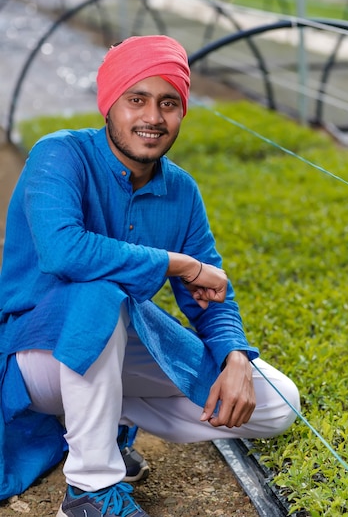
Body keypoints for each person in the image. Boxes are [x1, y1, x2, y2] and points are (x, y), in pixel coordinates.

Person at [0, 35, 300, 517]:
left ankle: (102, 424)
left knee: (278, 403)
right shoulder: (60, 155)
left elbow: (211, 292)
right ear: (109, 105)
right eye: (136, 99)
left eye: (169, 103)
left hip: (110, 352)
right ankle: (90, 492)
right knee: (103, 296)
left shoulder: (181, 190)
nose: (152, 118)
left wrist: (236, 357)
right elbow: (63, 251)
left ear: (183, 111)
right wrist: (175, 263)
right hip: (32, 353)